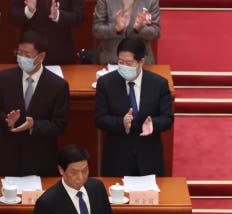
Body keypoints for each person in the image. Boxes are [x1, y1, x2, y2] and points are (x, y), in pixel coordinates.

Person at [94, 38, 173, 177]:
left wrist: (153, 124)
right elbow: (99, 118)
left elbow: (167, 118)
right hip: (117, 157)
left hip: (149, 157)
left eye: (129, 63)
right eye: (120, 62)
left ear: (141, 62)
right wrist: (121, 122)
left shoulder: (159, 84)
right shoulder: (106, 83)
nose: (124, 66)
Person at [0, 30, 69, 177]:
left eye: (27, 55)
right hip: (8, 158)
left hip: (40, 160)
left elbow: (60, 124)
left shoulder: (58, 85)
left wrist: (34, 125)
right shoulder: (4, 79)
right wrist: (7, 121)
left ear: (41, 56)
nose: (22, 58)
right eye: (19, 53)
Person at [8, 0, 84, 65]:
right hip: (29, 54)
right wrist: (28, 11)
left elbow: (79, 17)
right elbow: (12, 17)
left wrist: (58, 15)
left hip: (60, 53)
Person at [92, 0, 160, 65]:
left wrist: (140, 29)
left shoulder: (151, 1)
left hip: (140, 61)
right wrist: (116, 29)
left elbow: (155, 33)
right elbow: (97, 30)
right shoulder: (105, 1)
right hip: (111, 60)